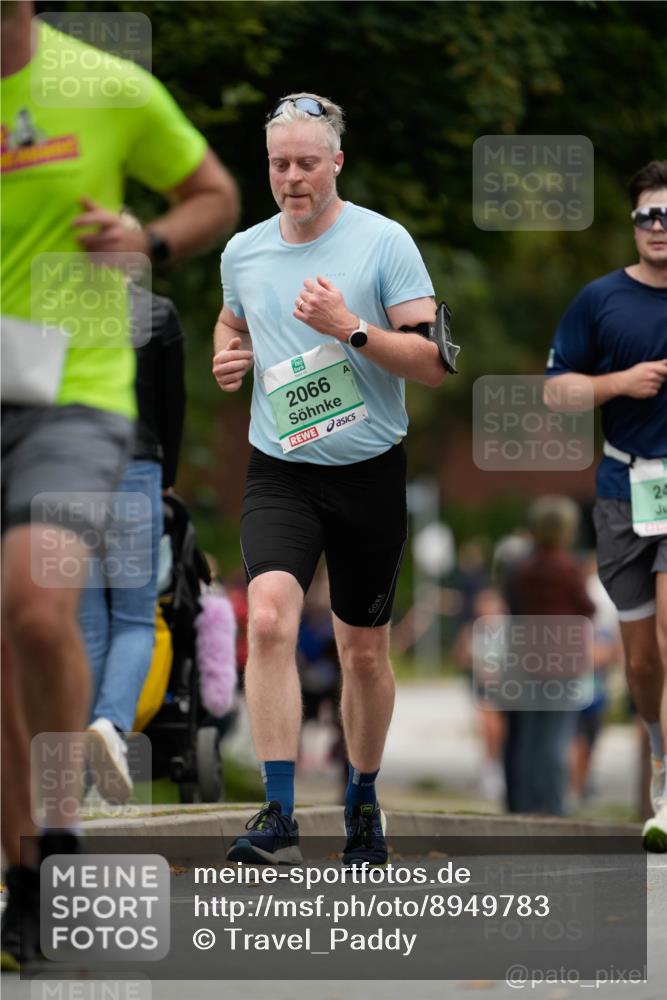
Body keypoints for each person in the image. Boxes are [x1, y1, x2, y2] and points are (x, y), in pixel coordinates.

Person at [1, 2, 238, 970]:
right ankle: (25, 873)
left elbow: (213, 192)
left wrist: (152, 238)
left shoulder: (102, 86)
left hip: (74, 391)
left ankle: (59, 825)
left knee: (36, 604)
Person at [212, 92, 445, 866]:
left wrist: (348, 326)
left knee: (364, 653)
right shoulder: (243, 251)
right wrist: (227, 351)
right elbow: (234, 319)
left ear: (336, 162)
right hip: (280, 467)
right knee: (272, 618)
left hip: (368, 471)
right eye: (279, 164)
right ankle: (278, 810)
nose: (291, 178)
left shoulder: (384, 243)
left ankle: (363, 795)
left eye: (306, 163)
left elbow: (435, 362)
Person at [544, 160, 667, 849]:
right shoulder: (599, 300)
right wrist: (619, 383)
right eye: (648, 215)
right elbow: (555, 391)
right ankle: (656, 748)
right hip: (624, 490)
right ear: (633, 224)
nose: (658, 227)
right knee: (642, 661)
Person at [79, 277, 187, 804]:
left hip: (68, 470)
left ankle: (78, 770)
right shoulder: (157, 313)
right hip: (135, 468)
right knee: (134, 618)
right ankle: (111, 726)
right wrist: (166, 474)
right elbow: (174, 403)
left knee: (86, 624)